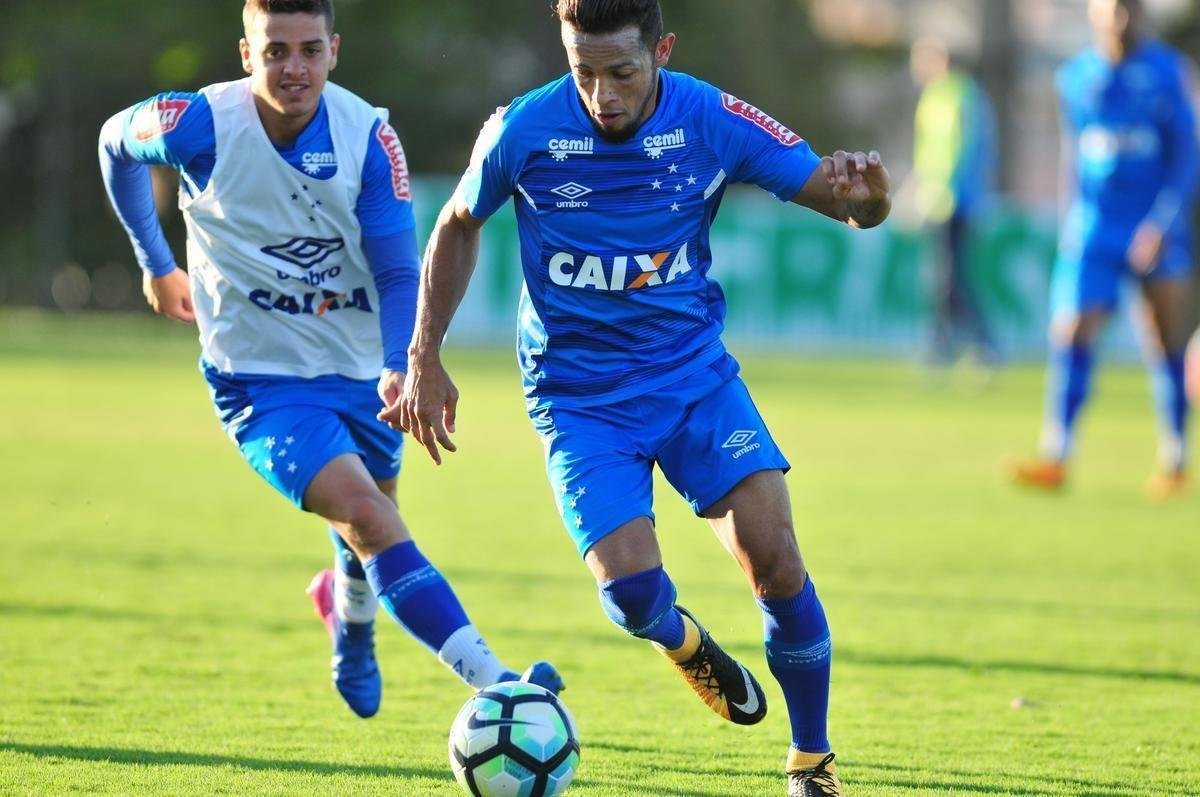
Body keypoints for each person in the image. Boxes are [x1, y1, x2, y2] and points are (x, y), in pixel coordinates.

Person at [387, 1, 890, 793]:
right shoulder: (524, 128)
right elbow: (456, 223)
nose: (602, 95)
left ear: (663, 49)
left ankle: (812, 759)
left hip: (692, 379)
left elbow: (840, 196)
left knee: (777, 561)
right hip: (578, 397)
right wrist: (424, 355)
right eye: (583, 72)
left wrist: (872, 198)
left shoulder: (711, 116)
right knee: (630, 597)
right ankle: (684, 642)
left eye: (622, 72)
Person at [97, 0, 561, 720]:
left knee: (373, 517)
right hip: (258, 380)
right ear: (247, 54)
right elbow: (111, 144)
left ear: (334, 50)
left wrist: (400, 362)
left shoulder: (367, 138)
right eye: (276, 50)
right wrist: (155, 263)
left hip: (356, 367)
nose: (294, 67)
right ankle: (500, 685)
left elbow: (399, 269)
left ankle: (350, 618)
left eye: (309, 49)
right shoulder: (195, 123)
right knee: (370, 517)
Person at [1012, 0, 1198, 500]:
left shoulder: (1167, 72)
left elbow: (1187, 155)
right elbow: (1076, 151)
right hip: (1096, 225)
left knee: (1163, 338)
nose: (1119, 18)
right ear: (1094, 12)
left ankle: (1175, 455)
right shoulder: (1075, 76)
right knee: (1072, 329)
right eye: (1110, 9)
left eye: (1128, 9)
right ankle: (1057, 453)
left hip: (1155, 224)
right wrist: (1071, 214)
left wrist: (1164, 222)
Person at [909, 37, 1000, 368]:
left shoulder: (963, 95)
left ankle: (979, 342)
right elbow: (927, 155)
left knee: (953, 276)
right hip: (938, 201)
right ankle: (947, 343)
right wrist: (916, 191)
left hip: (959, 201)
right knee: (945, 275)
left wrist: (947, 189)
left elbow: (969, 151)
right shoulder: (934, 97)